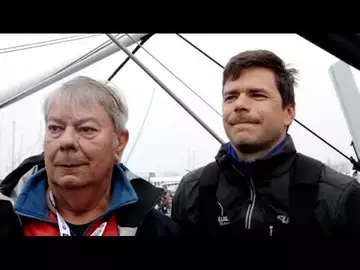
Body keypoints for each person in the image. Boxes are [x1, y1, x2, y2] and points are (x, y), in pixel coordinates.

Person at [171, 49, 360, 239]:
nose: (239, 105)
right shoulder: (192, 190)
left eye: (257, 95)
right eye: (230, 97)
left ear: (288, 112)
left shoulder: (336, 196)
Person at [0, 76, 178, 236]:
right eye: (55, 128)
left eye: (86, 129)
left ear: (119, 142)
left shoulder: (159, 231)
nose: (66, 141)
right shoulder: (7, 218)